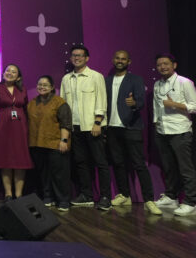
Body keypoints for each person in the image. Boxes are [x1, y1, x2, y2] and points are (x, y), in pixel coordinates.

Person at [105, 51, 161, 215]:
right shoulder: (107, 80)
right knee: (118, 163)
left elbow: (141, 102)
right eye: (117, 58)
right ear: (113, 60)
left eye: (123, 59)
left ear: (129, 61)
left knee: (138, 164)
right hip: (112, 128)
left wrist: (134, 103)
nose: (120, 61)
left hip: (131, 127)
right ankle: (124, 195)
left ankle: (149, 200)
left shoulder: (135, 79)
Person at [59, 44, 111, 210]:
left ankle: (105, 197)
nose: (77, 58)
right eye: (74, 55)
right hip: (74, 128)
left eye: (80, 55)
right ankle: (86, 195)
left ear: (87, 58)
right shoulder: (66, 79)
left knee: (100, 162)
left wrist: (97, 122)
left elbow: (101, 101)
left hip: (92, 127)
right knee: (81, 162)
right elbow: (63, 105)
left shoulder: (96, 76)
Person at [151, 53, 196, 216]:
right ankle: (171, 196)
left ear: (174, 65)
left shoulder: (185, 82)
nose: (162, 67)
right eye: (159, 65)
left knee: (185, 168)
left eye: (166, 64)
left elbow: (194, 106)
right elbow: (157, 107)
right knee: (168, 167)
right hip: (162, 131)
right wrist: (156, 124)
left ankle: (191, 202)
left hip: (180, 131)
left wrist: (175, 104)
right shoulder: (157, 84)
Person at [27, 75, 72, 212]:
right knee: (43, 173)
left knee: (59, 173)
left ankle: (63, 200)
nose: (42, 87)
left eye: (46, 85)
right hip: (37, 143)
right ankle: (48, 197)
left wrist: (64, 140)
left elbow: (66, 123)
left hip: (55, 143)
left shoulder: (60, 102)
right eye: (40, 84)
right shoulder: (32, 103)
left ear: (52, 87)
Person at [0, 64, 32, 200]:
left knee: (20, 160)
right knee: (5, 159)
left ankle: (18, 194)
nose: (10, 73)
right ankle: (8, 193)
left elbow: (25, 107)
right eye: (8, 71)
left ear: (18, 76)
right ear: (3, 74)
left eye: (14, 72)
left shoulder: (22, 89)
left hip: (20, 127)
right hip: (3, 127)